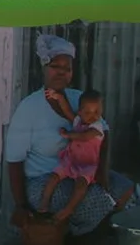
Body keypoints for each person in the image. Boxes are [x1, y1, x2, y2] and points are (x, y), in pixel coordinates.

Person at [6, 35, 135, 237]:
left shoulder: (79, 98)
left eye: (67, 68)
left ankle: (83, 232)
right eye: (55, 65)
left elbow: (104, 130)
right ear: (44, 68)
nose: (61, 72)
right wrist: (21, 205)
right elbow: (14, 161)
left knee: (125, 188)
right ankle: (76, 235)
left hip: (82, 169)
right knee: (96, 197)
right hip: (44, 180)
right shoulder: (29, 108)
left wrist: (102, 169)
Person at [36, 89, 113, 222]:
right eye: (88, 112)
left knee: (81, 186)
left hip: (87, 165)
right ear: (80, 112)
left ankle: (69, 208)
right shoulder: (77, 121)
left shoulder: (97, 127)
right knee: (53, 178)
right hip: (70, 160)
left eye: (97, 112)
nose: (93, 116)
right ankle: (44, 202)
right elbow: (67, 112)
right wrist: (59, 98)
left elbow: (84, 136)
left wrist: (68, 135)